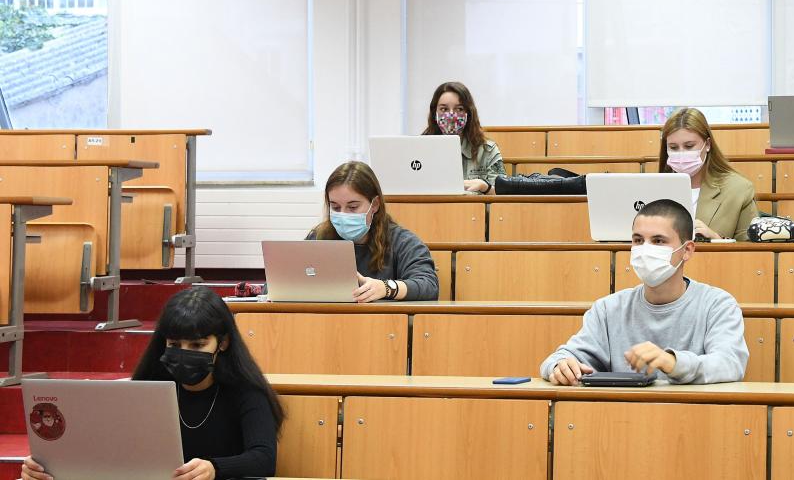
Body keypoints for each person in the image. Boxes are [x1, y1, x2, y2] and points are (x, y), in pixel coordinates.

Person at [21, 286, 285, 480]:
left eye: (197, 345)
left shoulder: (245, 391)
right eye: (174, 344)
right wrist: (45, 468)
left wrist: (214, 468)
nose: (184, 352)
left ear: (223, 343)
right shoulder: (146, 389)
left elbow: (263, 458)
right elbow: (109, 452)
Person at [540, 199, 749, 385]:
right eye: (638, 240)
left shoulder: (717, 304)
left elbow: (730, 363)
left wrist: (673, 362)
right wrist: (559, 366)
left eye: (658, 241)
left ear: (687, 250)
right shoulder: (608, 309)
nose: (645, 249)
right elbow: (559, 358)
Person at [307, 161, 439, 301]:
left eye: (353, 207)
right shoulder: (318, 237)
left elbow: (429, 286)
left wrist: (386, 288)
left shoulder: (402, 242)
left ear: (375, 204)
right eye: (335, 207)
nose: (343, 214)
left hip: (383, 315)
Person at [658, 107, 759, 241]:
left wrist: (716, 239)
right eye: (673, 147)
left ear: (707, 145)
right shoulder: (656, 188)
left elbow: (752, 248)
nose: (681, 153)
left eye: (689, 146)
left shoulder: (739, 190)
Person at [422, 81, 506, 194]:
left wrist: (485, 187)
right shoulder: (422, 148)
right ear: (435, 114)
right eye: (444, 109)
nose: (451, 115)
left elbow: (503, 194)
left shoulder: (487, 150)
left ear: (468, 113)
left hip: (474, 206)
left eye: (459, 109)